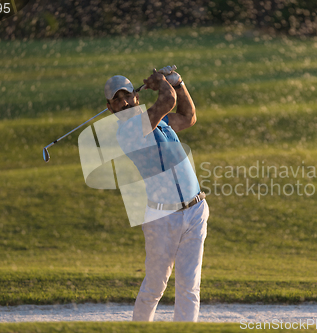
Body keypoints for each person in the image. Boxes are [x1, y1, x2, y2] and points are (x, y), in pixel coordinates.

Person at [104, 67, 209, 322]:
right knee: (155, 286)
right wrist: (162, 82)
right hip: (161, 217)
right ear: (110, 108)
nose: (124, 102)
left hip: (195, 210)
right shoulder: (128, 132)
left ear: (136, 96)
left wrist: (178, 82)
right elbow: (167, 101)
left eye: (127, 95)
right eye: (117, 100)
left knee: (189, 286)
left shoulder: (160, 122)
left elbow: (188, 115)